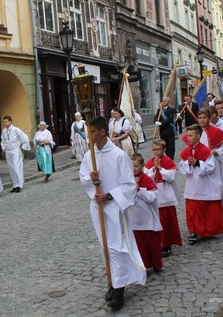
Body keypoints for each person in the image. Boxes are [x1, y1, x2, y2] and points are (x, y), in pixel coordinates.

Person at [79, 116, 146, 309]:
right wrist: (91, 180)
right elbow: (82, 177)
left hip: (115, 207)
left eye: (92, 132)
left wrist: (108, 196)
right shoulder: (89, 155)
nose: (89, 137)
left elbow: (129, 185)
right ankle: (112, 281)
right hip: (97, 207)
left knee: (117, 247)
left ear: (101, 131)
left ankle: (119, 289)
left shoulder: (118, 155)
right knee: (105, 248)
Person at [179, 124, 223, 243]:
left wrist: (197, 163)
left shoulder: (206, 151)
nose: (188, 138)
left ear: (198, 136)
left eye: (191, 136)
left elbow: (211, 167)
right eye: (188, 135)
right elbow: (181, 165)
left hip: (204, 185)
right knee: (192, 209)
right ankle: (193, 231)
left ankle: (207, 231)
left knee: (205, 209)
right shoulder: (186, 151)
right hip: (192, 186)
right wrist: (187, 164)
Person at [144, 139, 182, 257]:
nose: (156, 152)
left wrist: (160, 168)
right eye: (154, 150)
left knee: (166, 222)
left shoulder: (168, 161)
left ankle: (167, 244)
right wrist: (153, 169)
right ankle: (159, 243)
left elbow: (170, 177)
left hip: (166, 196)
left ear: (164, 149)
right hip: (155, 196)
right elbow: (147, 178)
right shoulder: (150, 163)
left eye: (158, 149)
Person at [129, 153, 163, 273]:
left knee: (152, 244)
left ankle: (157, 264)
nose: (133, 169)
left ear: (142, 166)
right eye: (131, 166)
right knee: (140, 246)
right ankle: (144, 266)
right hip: (134, 218)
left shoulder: (146, 179)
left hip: (147, 218)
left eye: (136, 166)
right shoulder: (127, 179)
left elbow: (153, 197)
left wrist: (139, 190)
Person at [0, 115, 30, 193]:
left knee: (17, 166)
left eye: (6, 121)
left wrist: (21, 146)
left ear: (10, 121)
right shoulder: (4, 131)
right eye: (4, 122)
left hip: (15, 150)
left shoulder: (16, 130)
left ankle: (19, 185)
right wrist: (4, 147)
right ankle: (15, 184)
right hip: (8, 151)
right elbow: (2, 141)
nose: (5, 123)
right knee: (11, 168)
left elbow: (25, 138)